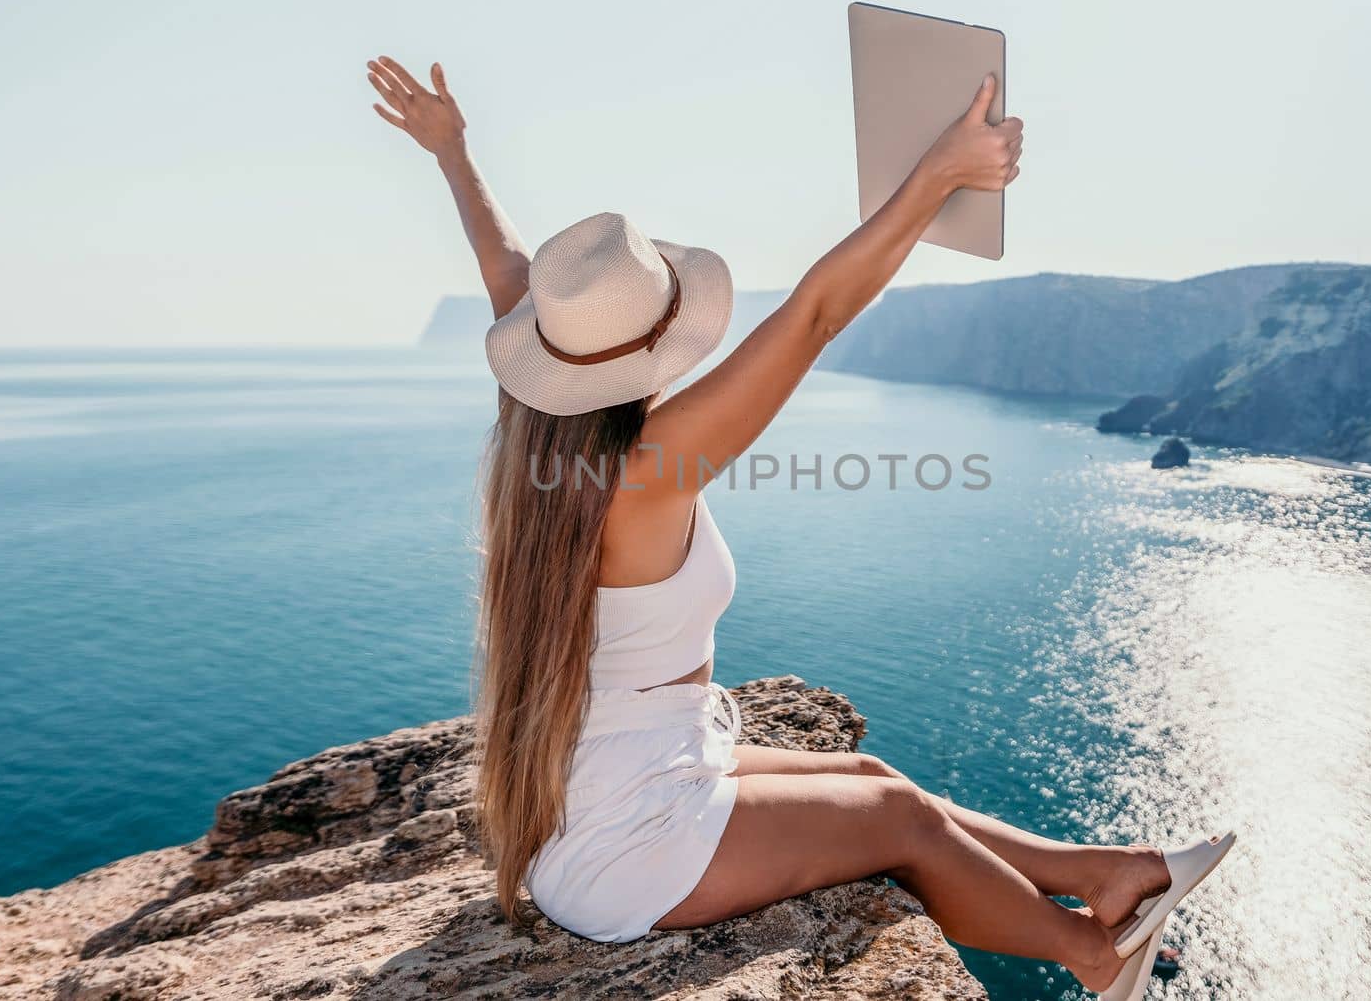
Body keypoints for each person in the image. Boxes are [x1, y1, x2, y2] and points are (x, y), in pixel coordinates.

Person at [367, 54, 1186, 993]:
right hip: (630, 837)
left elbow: (507, 267)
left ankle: (1101, 872)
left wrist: (453, 152)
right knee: (901, 827)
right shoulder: (648, 467)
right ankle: (1094, 955)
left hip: (625, 764)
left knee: (881, 779)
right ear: (650, 340)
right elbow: (813, 315)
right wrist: (939, 175)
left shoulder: (545, 439)